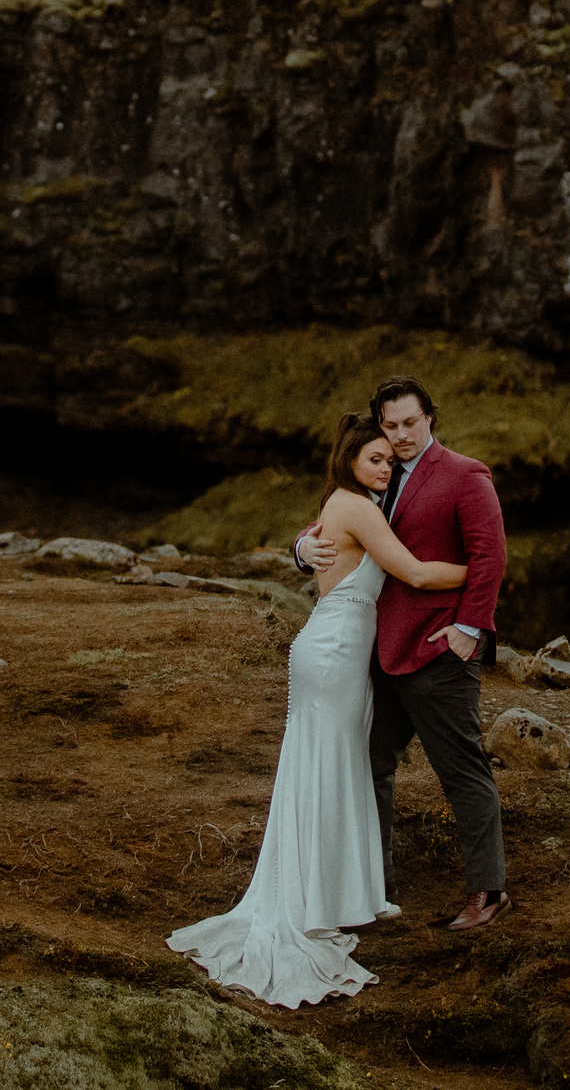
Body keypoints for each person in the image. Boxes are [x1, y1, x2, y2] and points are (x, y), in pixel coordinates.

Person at [166, 413, 469, 1006]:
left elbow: (332, 546)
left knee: (334, 766)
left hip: (338, 654)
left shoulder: (348, 504)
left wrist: (303, 546)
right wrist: (483, 572)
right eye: (374, 459)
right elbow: (411, 571)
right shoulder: (354, 506)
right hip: (332, 655)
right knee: (325, 767)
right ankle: (308, 902)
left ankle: (336, 893)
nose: (385, 468)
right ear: (351, 462)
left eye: (389, 459)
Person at [294, 376, 512, 932]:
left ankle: (487, 893)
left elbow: (490, 554)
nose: (400, 436)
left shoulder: (466, 475)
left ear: (430, 417)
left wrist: (471, 627)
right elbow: (344, 521)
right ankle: (374, 884)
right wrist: (302, 546)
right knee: (370, 764)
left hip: (440, 650)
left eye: (410, 423)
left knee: (461, 770)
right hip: (378, 654)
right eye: (390, 426)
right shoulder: (379, 473)